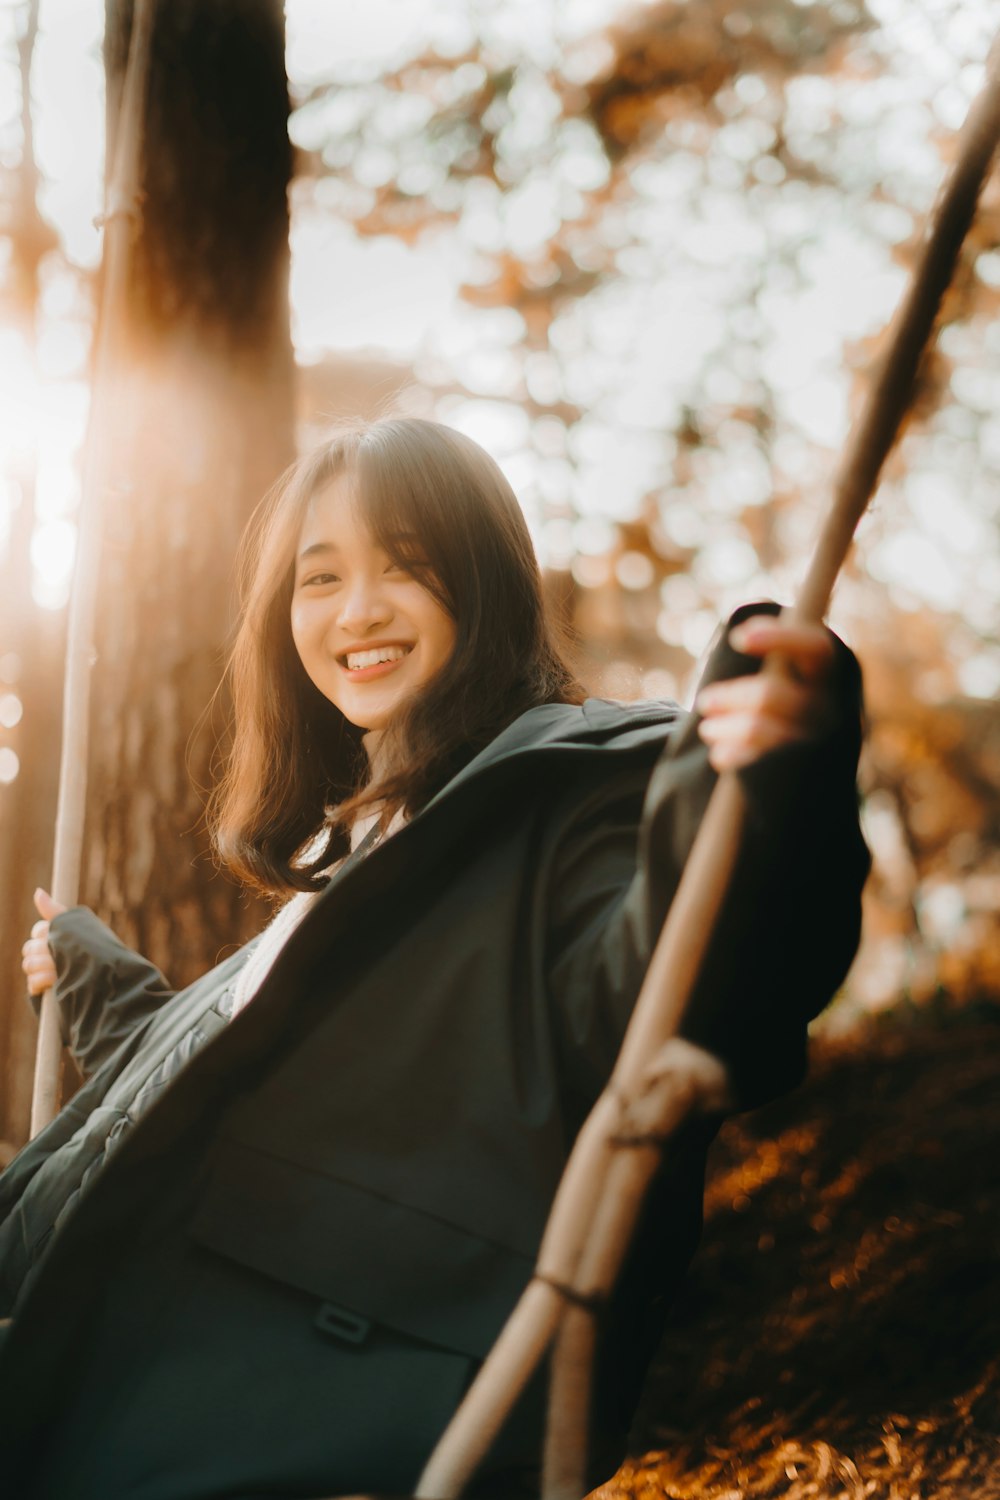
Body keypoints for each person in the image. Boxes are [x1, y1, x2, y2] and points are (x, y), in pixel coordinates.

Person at [1, 417, 869, 1498]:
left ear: (484, 583)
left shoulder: (583, 790)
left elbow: (679, 987)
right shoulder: (365, 855)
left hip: (324, 1415)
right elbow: (266, 1113)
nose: (356, 610)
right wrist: (98, 986)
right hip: (110, 1362)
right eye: (320, 578)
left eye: (404, 565)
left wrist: (762, 784)